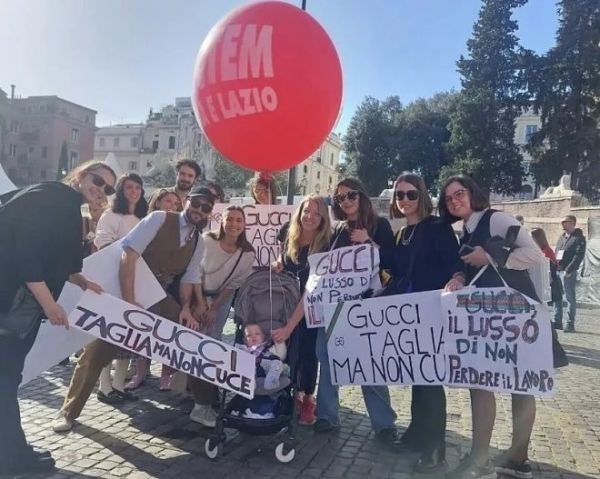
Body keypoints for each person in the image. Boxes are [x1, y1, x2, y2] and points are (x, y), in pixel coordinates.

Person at [52, 186, 215, 433]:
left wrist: (185, 309)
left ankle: (202, 406)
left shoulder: (198, 243)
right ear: (187, 202)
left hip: (159, 294)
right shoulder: (159, 218)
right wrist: (128, 301)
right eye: (197, 204)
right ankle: (68, 412)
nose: (200, 210)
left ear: (209, 213)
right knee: (98, 352)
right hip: (127, 289)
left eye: (206, 208)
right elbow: (128, 253)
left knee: (192, 342)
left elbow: (188, 279)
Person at [0, 160, 114, 475]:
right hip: (13, 305)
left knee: (6, 381)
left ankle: (14, 452)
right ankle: (12, 460)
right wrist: (50, 304)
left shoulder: (65, 203)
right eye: (97, 180)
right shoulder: (55, 198)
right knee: (5, 382)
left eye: (107, 187)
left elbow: (57, 256)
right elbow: (25, 254)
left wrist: (81, 281)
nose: (101, 189)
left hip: (16, 304)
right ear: (80, 174)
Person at [440, 174, 545, 479]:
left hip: (515, 315)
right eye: (448, 199)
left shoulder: (496, 219)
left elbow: (536, 256)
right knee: (481, 380)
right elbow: (470, 267)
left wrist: (490, 256)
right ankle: (485, 457)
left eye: (459, 194)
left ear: (472, 193)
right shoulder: (466, 229)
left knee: (520, 384)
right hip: (489, 318)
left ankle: (512, 457)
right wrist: (459, 277)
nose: (454, 201)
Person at [381, 173, 463, 473]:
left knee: (430, 382)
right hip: (408, 316)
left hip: (432, 314)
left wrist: (457, 278)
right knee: (418, 376)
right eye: (399, 195)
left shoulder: (437, 228)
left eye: (411, 194)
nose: (404, 200)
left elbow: (455, 264)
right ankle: (417, 434)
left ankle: (435, 450)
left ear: (422, 196)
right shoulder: (403, 233)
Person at [312, 178, 401, 448]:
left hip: (367, 307)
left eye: (351, 195)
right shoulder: (335, 228)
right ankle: (326, 415)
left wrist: (369, 242)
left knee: (370, 365)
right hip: (334, 307)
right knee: (328, 360)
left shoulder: (381, 225)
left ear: (361, 195)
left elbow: (393, 261)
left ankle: (384, 423)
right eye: (340, 198)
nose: (347, 201)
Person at [189, 205, 255, 427]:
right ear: (222, 221)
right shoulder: (206, 240)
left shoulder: (247, 253)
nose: (234, 224)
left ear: (244, 225)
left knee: (212, 343)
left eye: (239, 220)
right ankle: (197, 393)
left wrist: (215, 307)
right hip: (196, 293)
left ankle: (207, 396)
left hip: (221, 299)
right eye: (230, 219)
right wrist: (199, 303)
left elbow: (234, 284)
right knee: (194, 343)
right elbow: (194, 272)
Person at [271, 195, 332, 426]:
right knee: (286, 350)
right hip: (287, 303)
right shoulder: (288, 230)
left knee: (308, 353)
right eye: (307, 211)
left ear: (323, 218)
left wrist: (290, 325)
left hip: (311, 305)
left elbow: (312, 290)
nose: (310, 217)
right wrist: (278, 262)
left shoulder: (325, 243)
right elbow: (283, 254)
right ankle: (292, 393)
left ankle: (308, 398)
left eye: (317, 213)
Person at [93, 173, 148, 404]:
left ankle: (119, 384)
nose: (134, 191)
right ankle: (105, 386)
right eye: (129, 187)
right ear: (121, 190)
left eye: (138, 187)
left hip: (139, 283)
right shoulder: (111, 214)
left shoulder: (144, 216)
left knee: (129, 335)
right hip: (112, 280)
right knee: (109, 335)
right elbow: (102, 243)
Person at [126, 188, 181, 391]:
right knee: (144, 329)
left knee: (168, 330)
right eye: (168, 201)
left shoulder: (181, 229)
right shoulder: (149, 223)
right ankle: (140, 372)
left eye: (176, 204)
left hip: (167, 286)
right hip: (144, 284)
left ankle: (166, 374)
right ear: (157, 203)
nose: (172, 206)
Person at [554, 215, 586, 332]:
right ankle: (557, 321)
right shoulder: (562, 237)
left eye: (565, 222)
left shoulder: (579, 238)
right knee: (557, 297)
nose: (563, 224)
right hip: (558, 270)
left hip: (568, 272)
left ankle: (570, 323)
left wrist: (569, 270)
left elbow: (578, 256)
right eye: (562, 222)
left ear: (573, 223)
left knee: (569, 298)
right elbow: (557, 253)